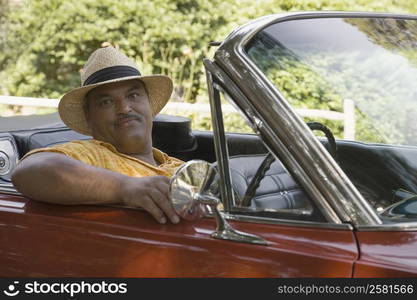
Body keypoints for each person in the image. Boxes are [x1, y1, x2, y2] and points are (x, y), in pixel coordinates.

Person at [11, 46, 183, 224]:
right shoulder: (89, 153)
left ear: (149, 104)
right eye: (106, 102)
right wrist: (125, 187)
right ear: (88, 115)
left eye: (133, 95)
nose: (124, 108)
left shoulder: (180, 167)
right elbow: (28, 171)